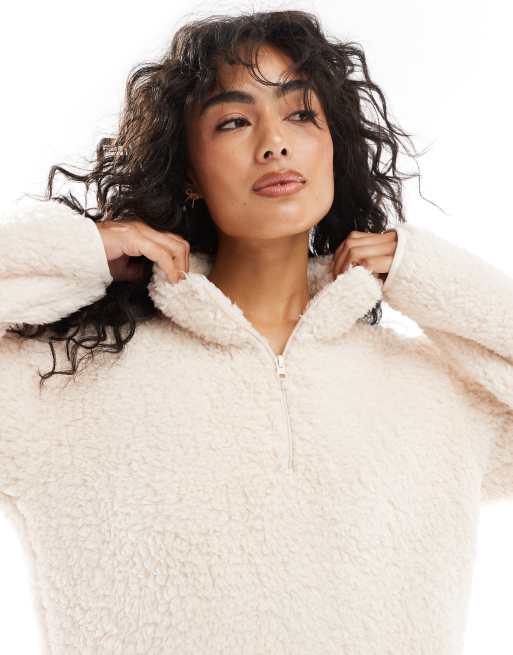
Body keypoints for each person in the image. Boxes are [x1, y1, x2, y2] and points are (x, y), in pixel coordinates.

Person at [1, 9, 512, 655]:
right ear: (188, 169)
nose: (274, 143)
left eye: (300, 114)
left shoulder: (436, 397)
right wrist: (78, 251)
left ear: (334, 147)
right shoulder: (63, 387)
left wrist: (427, 273)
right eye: (234, 121)